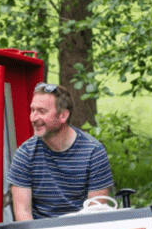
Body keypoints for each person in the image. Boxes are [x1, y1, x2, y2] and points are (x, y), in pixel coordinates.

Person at [8, 82, 113, 221]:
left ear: (63, 115)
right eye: (32, 110)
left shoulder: (94, 152)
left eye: (41, 111)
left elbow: (95, 213)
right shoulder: (25, 154)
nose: (33, 118)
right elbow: (23, 213)